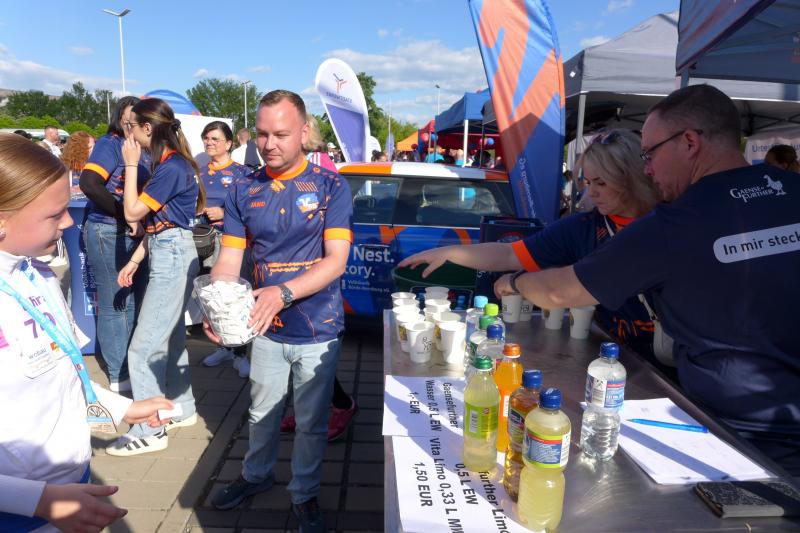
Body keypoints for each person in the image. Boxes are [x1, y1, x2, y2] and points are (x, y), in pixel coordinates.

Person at [496, 84, 800, 475]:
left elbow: (559, 291)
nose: (648, 169)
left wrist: (516, 283)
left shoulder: (675, 224)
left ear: (689, 142)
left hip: (738, 443)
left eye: (650, 153)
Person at [0, 132, 173, 532]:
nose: (67, 222)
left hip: (67, 492)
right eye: (54, 214)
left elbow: (64, 371)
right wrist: (38, 500)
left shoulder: (37, 274)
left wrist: (121, 408)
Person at [208, 90, 352, 532]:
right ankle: (256, 475)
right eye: (262, 134)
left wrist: (282, 293)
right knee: (261, 412)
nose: (269, 144)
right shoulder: (243, 188)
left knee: (311, 423)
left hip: (318, 326)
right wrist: (218, 307)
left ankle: (303, 494)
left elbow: (336, 261)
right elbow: (230, 259)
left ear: (304, 133)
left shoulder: (331, 186)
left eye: (281, 134)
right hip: (265, 326)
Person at [400, 129, 663, 363]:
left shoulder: (669, 225)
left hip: (671, 365)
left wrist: (516, 283)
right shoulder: (582, 228)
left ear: (632, 179)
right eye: (588, 182)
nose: (591, 193)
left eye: (601, 183)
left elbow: (557, 292)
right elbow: (509, 253)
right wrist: (449, 252)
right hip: (613, 358)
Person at [106, 98, 204, 456]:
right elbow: (163, 223)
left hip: (173, 254)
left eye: (131, 126)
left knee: (143, 349)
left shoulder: (171, 166)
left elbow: (133, 211)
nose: (127, 133)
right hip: (170, 249)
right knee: (172, 338)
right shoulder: (171, 164)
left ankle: (150, 429)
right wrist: (136, 259)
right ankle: (183, 408)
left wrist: (131, 165)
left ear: (147, 128)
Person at [275, 114, 357, 441]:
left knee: (312, 358)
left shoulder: (324, 167)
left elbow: (324, 225)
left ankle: (341, 406)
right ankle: (307, 408)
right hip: (282, 278)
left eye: (285, 133)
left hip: (313, 280)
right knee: (292, 358)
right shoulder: (274, 171)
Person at [79, 96, 150, 393]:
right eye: (128, 119)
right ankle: (119, 374)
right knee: (115, 304)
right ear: (120, 119)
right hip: (109, 230)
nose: (133, 125)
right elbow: (89, 183)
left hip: (137, 235)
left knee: (133, 302)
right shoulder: (111, 144)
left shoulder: (144, 148)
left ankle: (131, 365)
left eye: (139, 120)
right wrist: (125, 215)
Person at [197, 120, 254, 376]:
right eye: (206, 138)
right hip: (203, 242)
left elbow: (251, 209)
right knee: (211, 299)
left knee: (232, 299)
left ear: (229, 143)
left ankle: (240, 353)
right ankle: (223, 347)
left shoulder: (243, 173)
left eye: (215, 139)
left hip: (230, 243)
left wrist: (224, 212)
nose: (209, 142)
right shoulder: (198, 172)